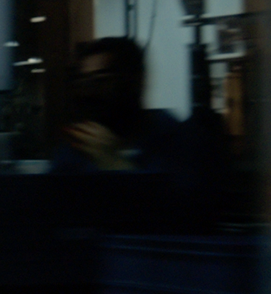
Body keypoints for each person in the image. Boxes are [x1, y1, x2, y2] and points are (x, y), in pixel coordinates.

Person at [50, 35, 228, 226]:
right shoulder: (76, 150)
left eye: (102, 79)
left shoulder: (184, 143)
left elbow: (188, 220)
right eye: (84, 82)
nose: (89, 92)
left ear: (137, 81)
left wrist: (116, 165)